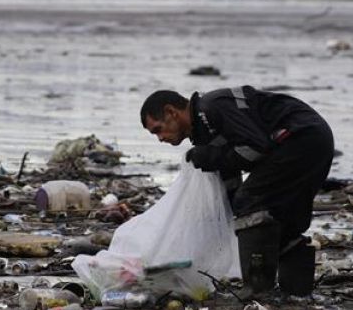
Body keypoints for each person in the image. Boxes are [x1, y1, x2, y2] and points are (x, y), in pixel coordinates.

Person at [140, 86, 334, 296]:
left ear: (171, 112)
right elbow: (231, 171)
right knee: (282, 216)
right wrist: (232, 208)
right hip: (313, 139)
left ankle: (257, 289)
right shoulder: (203, 127)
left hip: (301, 137)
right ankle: (297, 292)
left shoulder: (211, 109)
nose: (160, 138)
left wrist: (210, 158)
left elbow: (256, 148)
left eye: (158, 130)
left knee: (252, 202)